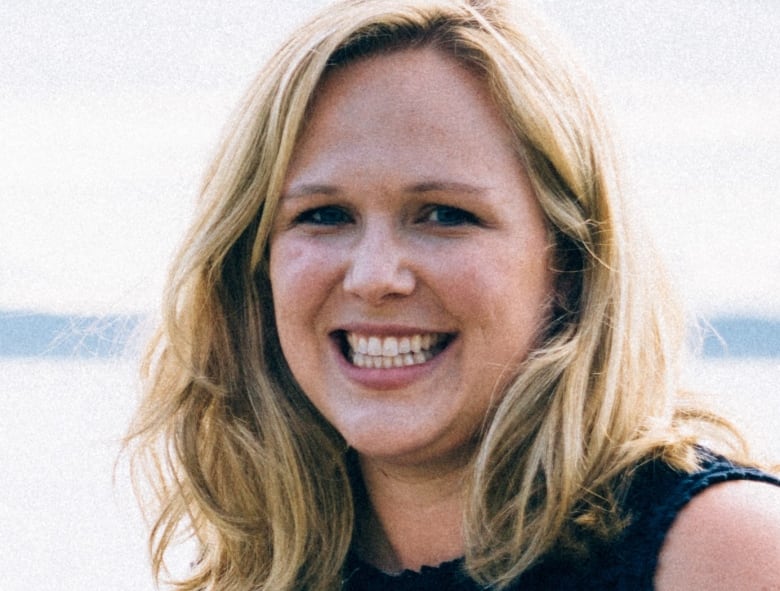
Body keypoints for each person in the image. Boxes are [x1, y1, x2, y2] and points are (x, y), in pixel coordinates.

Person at [125, 1, 780, 589]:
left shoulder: (725, 553)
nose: (374, 275)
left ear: (571, 262)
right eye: (324, 214)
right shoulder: (260, 572)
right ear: (255, 269)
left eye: (442, 214)